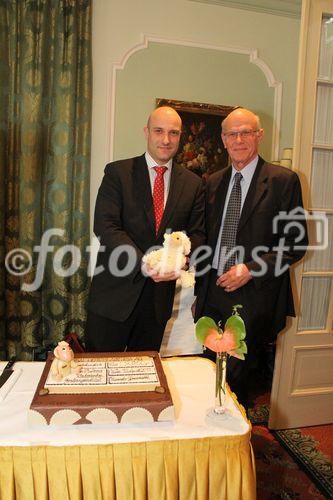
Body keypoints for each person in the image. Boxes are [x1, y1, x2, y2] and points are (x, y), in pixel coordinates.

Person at [193, 108, 308, 409]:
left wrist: (251, 269)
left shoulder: (284, 181)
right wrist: (199, 292)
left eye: (246, 132)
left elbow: (295, 244)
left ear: (259, 136)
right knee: (208, 374)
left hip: (254, 297)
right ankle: (211, 443)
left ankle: (237, 445)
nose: (239, 139)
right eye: (232, 133)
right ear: (223, 139)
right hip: (212, 293)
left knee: (239, 383)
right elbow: (205, 239)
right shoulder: (212, 182)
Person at [85, 106, 205, 352]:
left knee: (145, 377)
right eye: (159, 131)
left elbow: (198, 234)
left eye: (173, 133)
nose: (166, 139)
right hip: (113, 299)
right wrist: (144, 263)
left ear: (180, 136)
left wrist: (179, 262)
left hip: (156, 305)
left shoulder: (193, 184)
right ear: (146, 132)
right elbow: (106, 226)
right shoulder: (118, 172)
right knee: (99, 375)